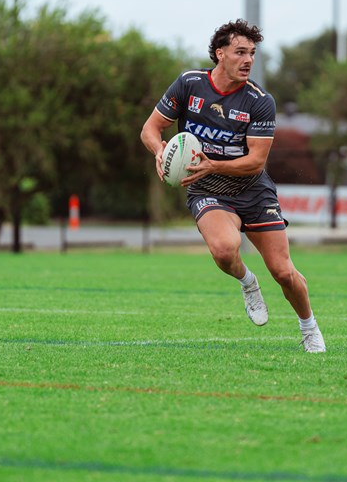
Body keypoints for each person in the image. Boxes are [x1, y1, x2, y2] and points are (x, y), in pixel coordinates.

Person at [140, 19, 326, 353]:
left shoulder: (259, 101)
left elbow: (255, 161)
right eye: (240, 52)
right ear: (219, 53)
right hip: (207, 188)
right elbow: (150, 128)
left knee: (284, 272)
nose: (248, 60)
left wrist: (212, 163)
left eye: (252, 53)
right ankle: (247, 282)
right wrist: (160, 151)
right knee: (225, 251)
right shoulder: (189, 84)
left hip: (253, 191)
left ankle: (308, 326)